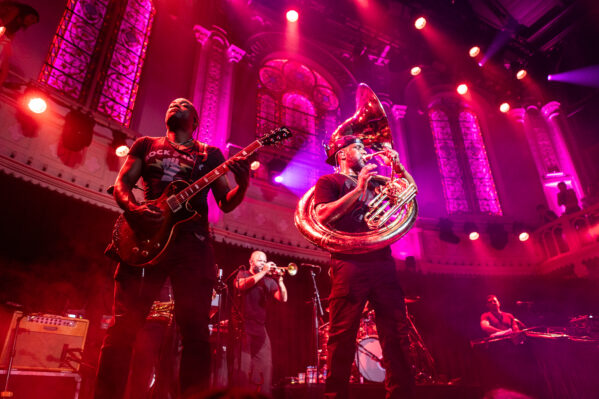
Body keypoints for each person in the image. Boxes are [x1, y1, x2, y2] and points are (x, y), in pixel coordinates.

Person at [94, 98, 250, 399]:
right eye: (172, 103)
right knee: (123, 328)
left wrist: (242, 186)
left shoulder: (210, 154)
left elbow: (226, 203)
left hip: (192, 244)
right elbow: (123, 183)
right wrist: (134, 210)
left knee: (195, 333)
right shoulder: (146, 144)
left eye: (184, 104)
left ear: (195, 119)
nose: (176, 103)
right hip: (146, 237)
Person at [313, 135, 417, 399]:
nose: (365, 151)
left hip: (382, 261)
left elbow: (410, 193)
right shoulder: (329, 181)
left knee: (397, 334)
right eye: (358, 148)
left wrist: (398, 169)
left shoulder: (377, 183)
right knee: (341, 334)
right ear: (342, 154)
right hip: (349, 263)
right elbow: (323, 215)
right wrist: (359, 190)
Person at [231, 251, 288, 396]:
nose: (263, 263)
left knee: (265, 366)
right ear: (251, 262)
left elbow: (283, 299)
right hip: (242, 326)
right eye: (260, 260)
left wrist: (280, 280)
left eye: (265, 261)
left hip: (260, 328)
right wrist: (263, 272)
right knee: (242, 368)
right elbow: (241, 286)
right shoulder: (242, 274)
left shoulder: (269, 281)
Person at [0, 2, 39, 87]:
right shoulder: (15, 11)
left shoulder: (17, 26)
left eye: (33, 22)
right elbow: (2, 23)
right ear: (27, 12)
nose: (30, 22)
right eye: (32, 18)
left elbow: (9, 39)